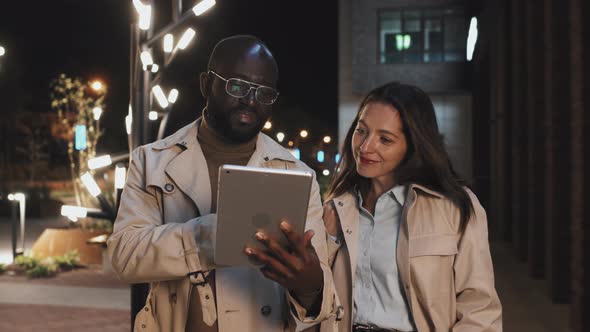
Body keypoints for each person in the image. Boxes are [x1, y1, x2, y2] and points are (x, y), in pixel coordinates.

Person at [107, 35, 340, 332]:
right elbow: (124, 256)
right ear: (206, 84)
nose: (250, 100)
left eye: (264, 92)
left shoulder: (296, 174)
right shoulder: (151, 161)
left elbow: (321, 304)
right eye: (237, 86)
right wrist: (209, 236)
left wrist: (311, 286)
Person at [320, 82, 502, 331]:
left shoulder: (455, 207)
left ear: (413, 145)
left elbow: (480, 309)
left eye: (385, 139)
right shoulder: (337, 207)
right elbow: (313, 296)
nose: (365, 147)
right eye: (361, 131)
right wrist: (328, 238)